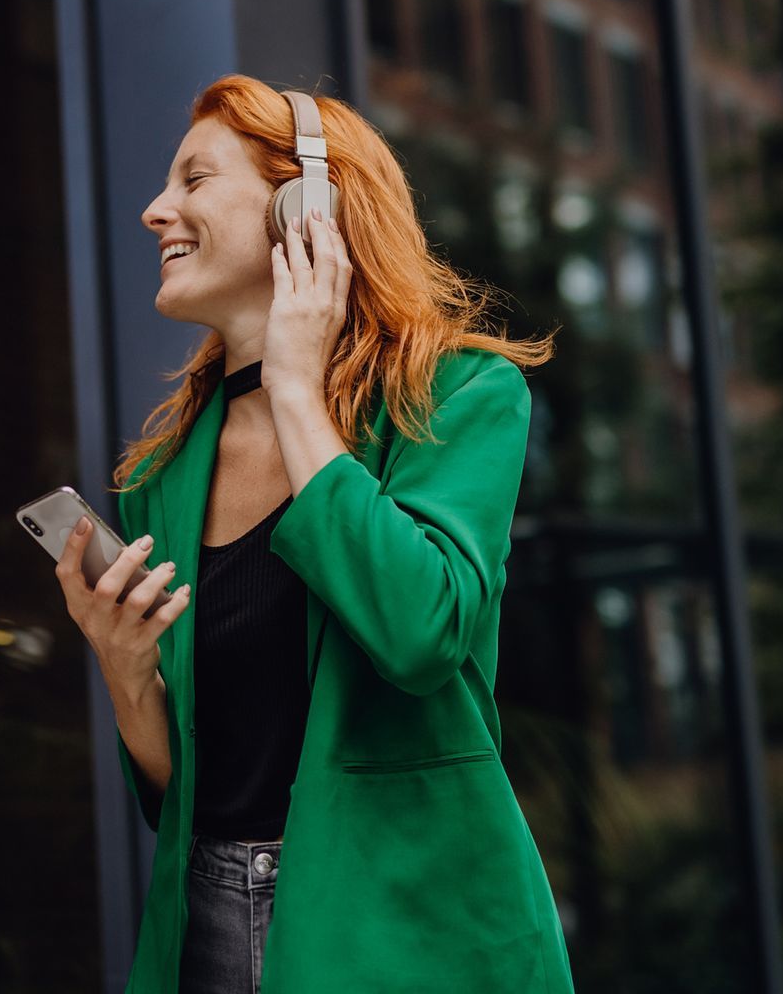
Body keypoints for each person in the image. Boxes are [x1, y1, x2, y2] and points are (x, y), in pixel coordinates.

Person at [51, 74, 571, 993]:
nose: (153, 210)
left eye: (194, 180)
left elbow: (420, 634)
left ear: (307, 205)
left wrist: (295, 387)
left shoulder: (460, 396)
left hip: (406, 928)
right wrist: (128, 677)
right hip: (208, 922)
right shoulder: (163, 473)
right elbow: (194, 787)